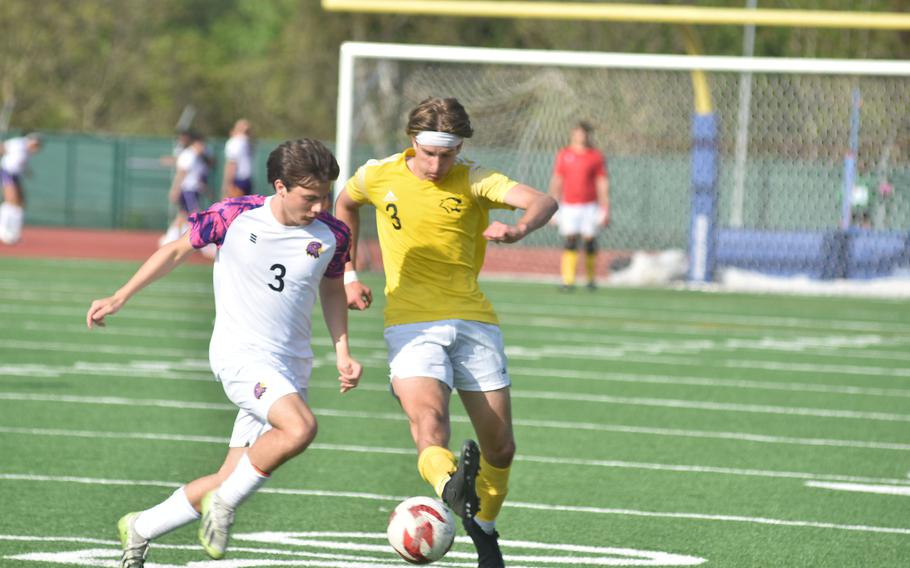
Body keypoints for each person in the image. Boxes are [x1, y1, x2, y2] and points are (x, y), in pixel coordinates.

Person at [87, 138, 362, 568]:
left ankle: (142, 526)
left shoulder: (333, 234)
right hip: (240, 356)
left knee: (230, 475)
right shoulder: (234, 214)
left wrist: (342, 351)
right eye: (310, 197)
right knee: (300, 429)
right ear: (280, 186)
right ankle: (225, 505)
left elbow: (330, 287)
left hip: (291, 366)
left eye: (326, 195)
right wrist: (120, 296)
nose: (319, 206)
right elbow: (177, 250)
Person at [334, 96, 558, 568]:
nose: (437, 164)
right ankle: (448, 487)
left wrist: (520, 229)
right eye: (429, 153)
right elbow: (345, 203)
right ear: (412, 141)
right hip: (410, 324)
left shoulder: (476, 179)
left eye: (447, 154)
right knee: (429, 423)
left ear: (459, 149)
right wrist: (349, 272)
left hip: (474, 321)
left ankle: (484, 528)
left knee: (501, 447)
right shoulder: (379, 174)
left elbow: (542, 200)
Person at [548, 121, 610, 291]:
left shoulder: (595, 156)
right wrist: (552, 204)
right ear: (573, 134)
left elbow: (602, 181)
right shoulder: (564, 154)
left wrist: (605, 206)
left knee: (590, 240)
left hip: (589, 206)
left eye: (584, 133)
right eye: (578, 132)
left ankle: (590, 279)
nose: (581, 136)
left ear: (589, 135)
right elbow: (557, 179)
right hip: (569, 205)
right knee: (570, 239)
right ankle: (568, 281)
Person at [160, 131, 212, 247]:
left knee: (182, 215)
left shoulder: (196, 156)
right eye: (202, 144)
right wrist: (175, 189)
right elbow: (182, 173)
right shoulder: (189, 155)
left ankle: (170, 240)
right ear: (196, 143)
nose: (204, 147)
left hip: (193, 189)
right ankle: (202, 243)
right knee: (197, 215)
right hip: (188, 190)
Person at [0, 132, 43, 245]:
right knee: (11, 201)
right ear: (32, 141)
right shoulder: (18, 143)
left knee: (20, 204)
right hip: (7, 172)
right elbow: (2, 147)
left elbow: (22, 164)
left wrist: (28, 172)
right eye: (37, 144)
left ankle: (14, 233)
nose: (38, 147)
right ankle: (3, 231)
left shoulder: (27, 152)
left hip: (16, 175)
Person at [222, 118, 255, 199]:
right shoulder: (246, 143)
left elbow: (231, 164)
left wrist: (227, 184)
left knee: (235, 208)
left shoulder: (234, 142)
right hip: (245, 180)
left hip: (238, 180)